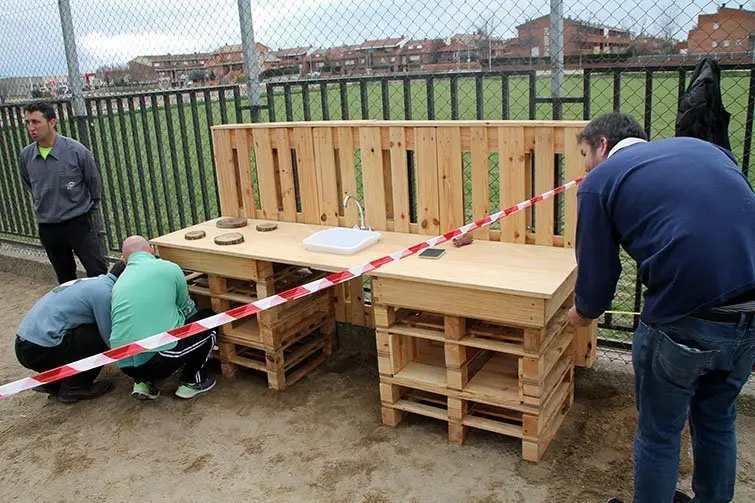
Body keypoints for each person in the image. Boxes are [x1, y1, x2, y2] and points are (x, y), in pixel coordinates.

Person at [567, 112, 755, 503]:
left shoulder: (601, 179)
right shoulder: (705, 151)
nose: (583, 164)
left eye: (584, 153)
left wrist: (583, 313)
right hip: (749, 314)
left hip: (684, 317)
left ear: (602, 146)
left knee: (659, 431)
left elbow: (599, 274)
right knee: (718, 420)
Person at [110, 236, 217, 400]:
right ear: (151, 248)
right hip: (160, 358)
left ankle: (142, 382)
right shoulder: (170, 268)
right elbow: (187, 310)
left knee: (142, 329)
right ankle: (192, 381)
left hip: (125, 363)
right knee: (208, 319)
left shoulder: (119, 282)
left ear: (124, 259)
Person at [19, 101, 108, 284]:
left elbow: (94, 185)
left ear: (52, 122)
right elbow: (30, 184)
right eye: (28, 123)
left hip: (78, 224)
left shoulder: (76, 151)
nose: (31, 128)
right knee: (65, 278)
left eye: (36, 122)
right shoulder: (26, 156)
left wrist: (85, 211)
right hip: (48, 227)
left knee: (97, 272)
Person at [15, 261, 126, 404]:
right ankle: (77, 386)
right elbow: (109, 335)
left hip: (24, 345)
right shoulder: (105, 293)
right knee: (96, 333)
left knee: (78, 329)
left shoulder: (93, 282)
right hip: (41, 350)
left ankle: (54, 378)